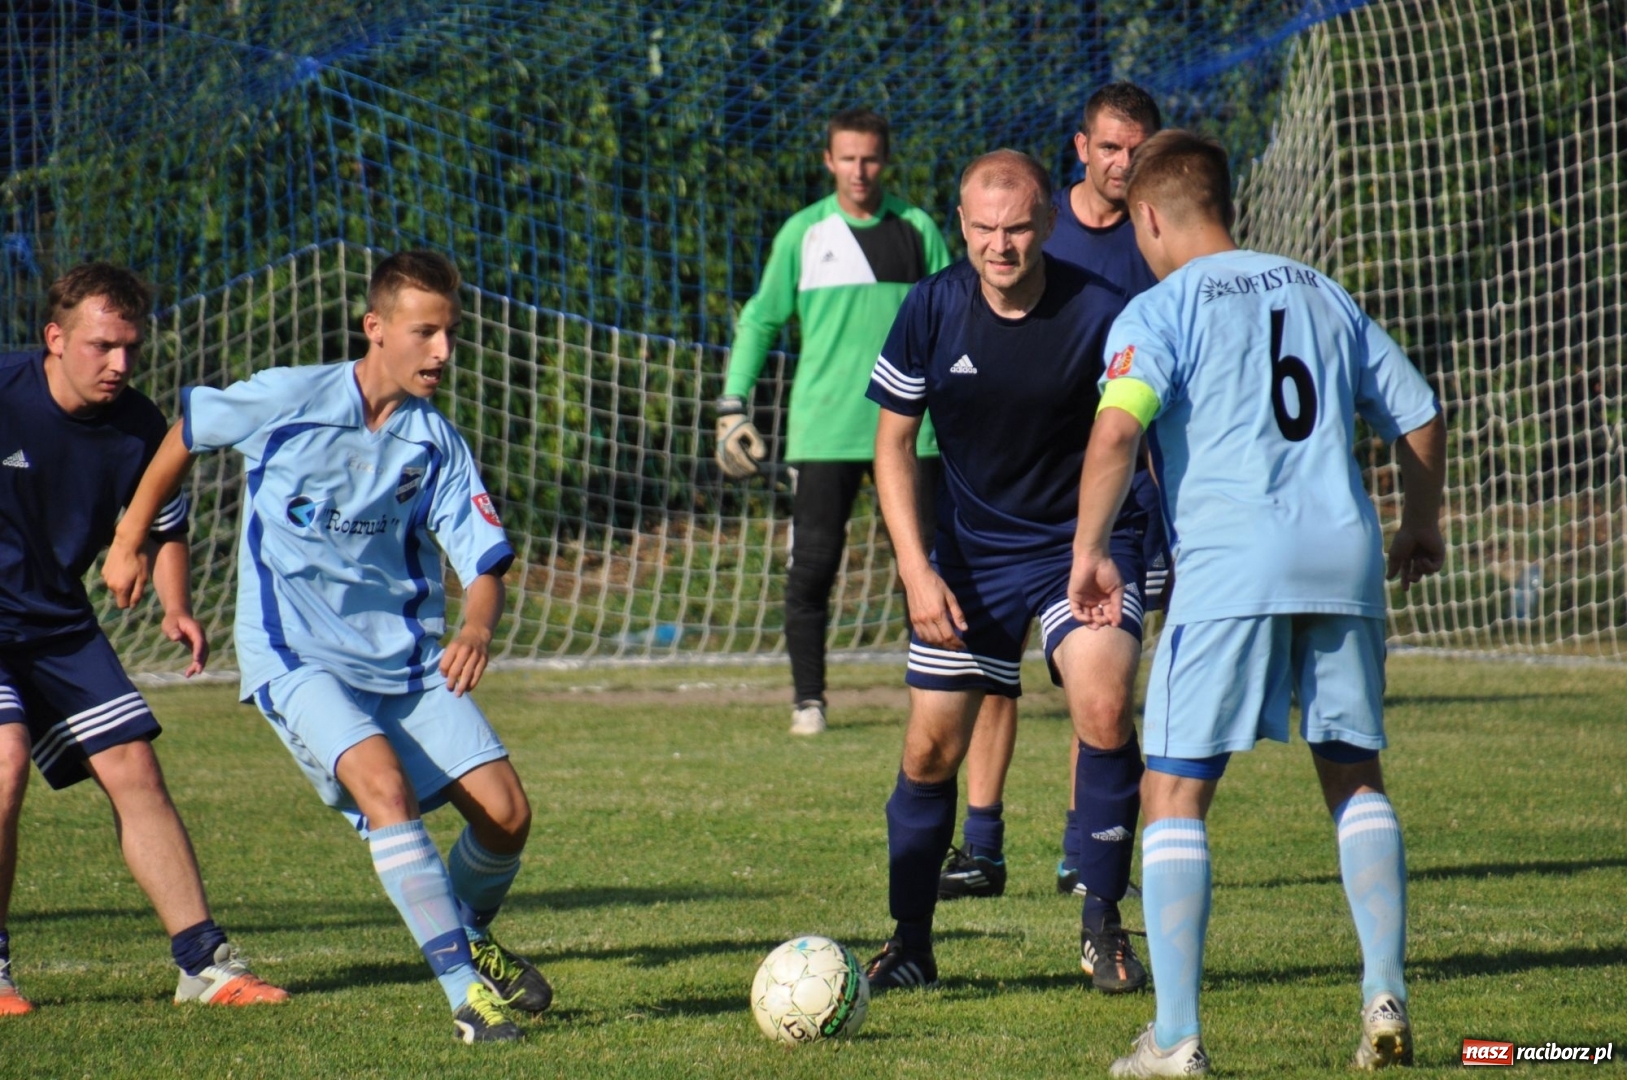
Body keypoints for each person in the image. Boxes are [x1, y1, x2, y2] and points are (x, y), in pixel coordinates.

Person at [1068, 130, 1444, 1075]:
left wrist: (1088, 552)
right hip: (1343, 558)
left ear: (1146, 217)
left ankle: (1175, 1037)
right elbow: (1418, 411)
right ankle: (1383, 995)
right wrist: (1418, 523)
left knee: (1172, 793)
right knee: (1354, 776)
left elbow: (1115, 433)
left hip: (1232, 564)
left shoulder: (1160, 308)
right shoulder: (1321, 291)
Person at [103, 251, 550, 1044]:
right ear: (375, 327)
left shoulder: (434, 442)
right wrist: (130, 536)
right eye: (425, 332)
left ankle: (464, 933)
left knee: (506, 815)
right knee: (385, 789)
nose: (443, 351)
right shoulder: (288, 397)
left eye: (450, 333)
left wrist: (477, 627)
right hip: (295, 653)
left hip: (405, 661)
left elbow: (483, 563)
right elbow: (188, 433)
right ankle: (465, 996)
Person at [862, 150, 1149, 994]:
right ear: (960, 225)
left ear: (1048, 222)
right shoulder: (930, 307)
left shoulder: (1103, 311)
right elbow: (891, 445)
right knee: (929, 748)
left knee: (1102, 703)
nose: (1000, 245)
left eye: (1018, 227)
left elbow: (1140, 441)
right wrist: (915, 571)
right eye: (983, 229)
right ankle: (910, 943)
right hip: (971, 555)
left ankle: (1103, 924)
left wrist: (1117, 549)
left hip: (1079, 547)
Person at [0, 263, 287, 1014]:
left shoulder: (139, 428)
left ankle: (204, 966)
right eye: (103, 345)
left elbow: (164, 526)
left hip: (58, 624)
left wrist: (176, 606)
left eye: (131, 346)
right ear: (55, 338)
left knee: (134, 767)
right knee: (4, 761)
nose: (120, 363)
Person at [940, 82, 1166, 906]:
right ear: (1080, 148)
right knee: (988, 678)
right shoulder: (1028, 223)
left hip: (1107, 510)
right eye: (1109, 147)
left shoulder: (1157, 236)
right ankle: (980, 844)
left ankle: (1082, 854)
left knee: (1094, 687)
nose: (1123, 163)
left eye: (1136, 149)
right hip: (1003, 510)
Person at [714, 108, 951, 736]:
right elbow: (761, 319)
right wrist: (732, 402)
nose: (859, 170)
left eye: (870, 157)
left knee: (922, 568)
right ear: (828, 161)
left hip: (913, 432)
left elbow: (955, 317)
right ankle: (809, 702)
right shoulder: (803, 232)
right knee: (813, 566)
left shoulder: (917, 228)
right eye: (848, 158)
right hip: (824, 431)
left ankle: (934, 697)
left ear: (885, 160)